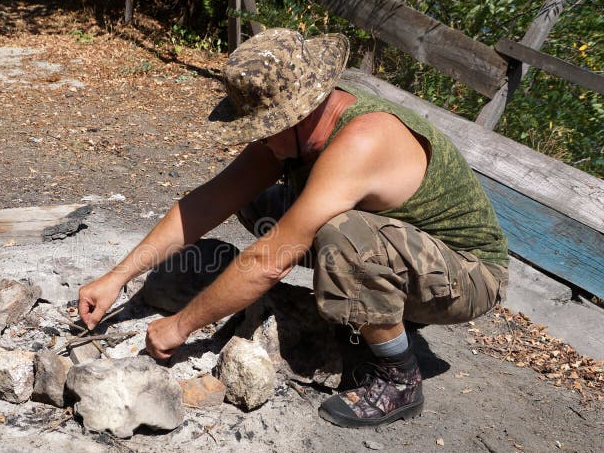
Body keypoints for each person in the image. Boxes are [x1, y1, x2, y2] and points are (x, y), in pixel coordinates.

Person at [78, 28, 508, 428]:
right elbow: (208, 202)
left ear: (296, 115)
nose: (257, 139)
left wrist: (180, 326)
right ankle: (370, 303)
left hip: (468, 276)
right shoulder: (300, 129)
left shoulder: (361, 140)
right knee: (257, 201)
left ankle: (399, 375)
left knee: (342, 237)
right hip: (410, 251)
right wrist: (117, 277)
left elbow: (271, 259)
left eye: (263, 130)